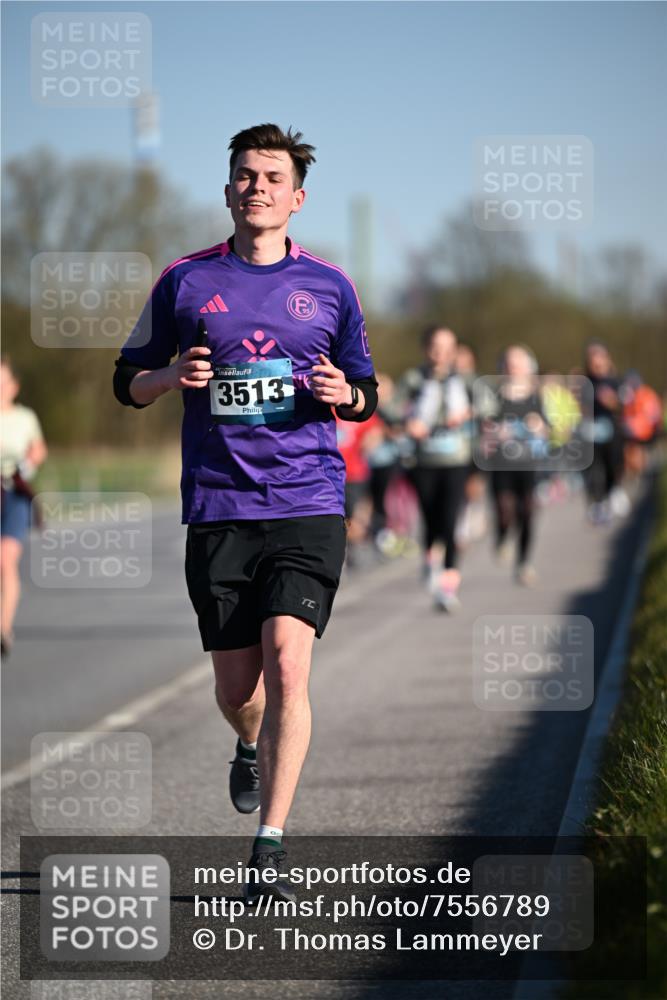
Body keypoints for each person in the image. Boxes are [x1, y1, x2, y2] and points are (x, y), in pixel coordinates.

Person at [113, 124, 378, 901]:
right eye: (244, 175)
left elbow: (366, 391)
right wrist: (169, 375)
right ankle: (248, 741)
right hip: (220, 508)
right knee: (239, 690)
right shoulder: (184, 282)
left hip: (306, 501)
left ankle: (270, 844)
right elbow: (125, 383)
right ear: (227, 191)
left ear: (297, 197)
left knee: (290, 665)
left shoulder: (330, 287)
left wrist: (345, 396)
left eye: (271, 176)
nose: (256, 186)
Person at [396, 327, 471, 611]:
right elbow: (386, 404)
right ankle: (430, 558)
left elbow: (489, 406)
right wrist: (407, 423)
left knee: (450, 522)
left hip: (456, 460)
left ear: (454, 349)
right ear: (426, 348)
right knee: (431, 518)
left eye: (446, 346)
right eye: (435, 346)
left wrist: (466, 413)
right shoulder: (414, 379)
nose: (440, 352)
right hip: (424, 461)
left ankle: (448, 587)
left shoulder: (464, 379)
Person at [483, 345, 549, 586]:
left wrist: (538, 426)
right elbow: (484, 426)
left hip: (529, 463)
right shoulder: (494, 395)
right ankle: (501, 538)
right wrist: (494, 431)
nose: (512, 368)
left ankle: (523, 563)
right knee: (504, 510)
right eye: (508, 363)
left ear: (528, 368)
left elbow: (548, 429)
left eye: (517, 364)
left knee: (528, 513)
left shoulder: (536, 396)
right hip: (501, 464)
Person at [1, 358, 48, 657]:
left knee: (5, 558)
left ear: (14, 387)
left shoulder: (24, 417)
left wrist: (27, 465)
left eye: (3, 381)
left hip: (13, 492)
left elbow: (38, 448)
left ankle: (2, 628)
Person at [581, 341, 624, 523]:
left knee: (613, 464)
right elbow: (580, 407)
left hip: (612, 430)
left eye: (599, 358)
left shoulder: (616, 381)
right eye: (592, 359)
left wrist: (613, 402)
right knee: (594, 468)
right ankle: (598, 503)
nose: (596, 363)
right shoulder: (585, 383)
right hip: (592, 431)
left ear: (607, 360)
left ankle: (613, 490)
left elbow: (624, 406)